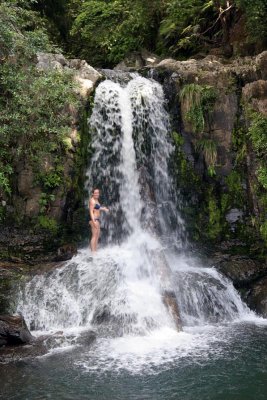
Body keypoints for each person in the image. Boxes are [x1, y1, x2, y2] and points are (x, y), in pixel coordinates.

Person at [89, 188, 109, 252]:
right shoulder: (92, 201)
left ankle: (95, 251)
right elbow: (91, 211)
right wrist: (94, 221)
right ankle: (93, 253)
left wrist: (103, 208)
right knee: (94, 236)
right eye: (95, 193)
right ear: (92, 193)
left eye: (98, 193)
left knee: (97, 236)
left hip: (97, 219)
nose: (97, 194)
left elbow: (97, 207)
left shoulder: (96, 200)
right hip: (94, 219)